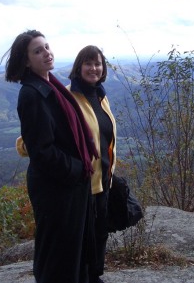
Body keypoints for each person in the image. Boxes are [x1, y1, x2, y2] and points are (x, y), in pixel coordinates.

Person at [3, 30, 98, 283]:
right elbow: (42, 151)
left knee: (72, 250)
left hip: (68, 183)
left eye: (46, 47)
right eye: (37, 51)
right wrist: (77, 168)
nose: (46, 53)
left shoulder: (50, 86)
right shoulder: (32, 94)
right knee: (57, 254)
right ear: (26, 61)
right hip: (56, 187)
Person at [67, 45, 117, 283]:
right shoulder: (68, 98)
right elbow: (41, 133)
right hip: (83, 184)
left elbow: (105, 136)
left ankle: (95, 276)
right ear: (79, 67)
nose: (94, 68)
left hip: (104, 180)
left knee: (99, 234)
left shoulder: (100, 96)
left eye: (98, 63)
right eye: (88, 63)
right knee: (85, 239)